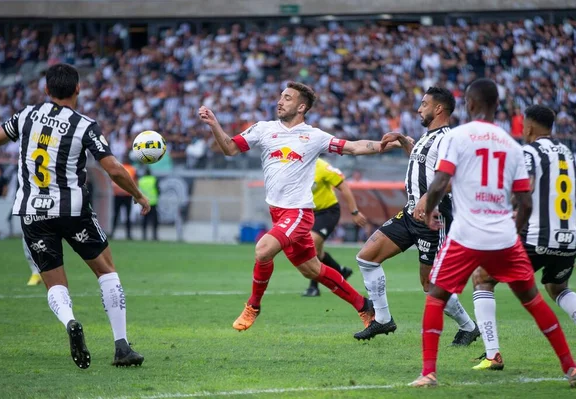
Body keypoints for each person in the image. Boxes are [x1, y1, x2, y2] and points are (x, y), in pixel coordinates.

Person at [198, 81, 412, 332]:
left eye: (287, 98)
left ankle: (253, 306)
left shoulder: (314, 136)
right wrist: (214, 125)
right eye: (280, 96)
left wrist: (398, 144)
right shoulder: (263, 129)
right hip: (278, 214)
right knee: (312, 270)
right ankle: (364, 306)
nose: (280, 101)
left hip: (299, 213)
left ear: (301, 107)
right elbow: (230, 149)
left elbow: (354, 147)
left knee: (263, 250)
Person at [0, 63, 150, 369]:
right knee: (106, 271)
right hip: (72, 211)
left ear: (46, 90)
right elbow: (112, 169)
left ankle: (70, 321)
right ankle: (121, 346)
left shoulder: (26, 116)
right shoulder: (84, 125)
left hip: (33, 212)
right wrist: (138, 195)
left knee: (54, 282)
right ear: (78, 88)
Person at [410, 78, 576, 387]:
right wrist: (512, 233)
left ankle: (428, 373)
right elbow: (525, 203)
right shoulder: (512, 145)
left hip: (466, 234)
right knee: (534, 300)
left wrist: (430, 207)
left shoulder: (457, 137)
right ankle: (570, 368)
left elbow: (440, 180)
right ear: (497, 106)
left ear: (470, 104)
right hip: (503, 236)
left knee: (436, 295)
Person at [353, 87, 478, 345]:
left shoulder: (448, 139)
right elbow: (422, 161)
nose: (419, 109)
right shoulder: (426, 137)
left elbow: (455, 176)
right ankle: (384, 319)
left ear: (439, 109)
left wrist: (428, 198)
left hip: (435, 216)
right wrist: (402, 140)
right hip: (410, 213)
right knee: (366, 258)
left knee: (429, 284)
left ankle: (468, 327)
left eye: (424, 104)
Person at [471, 105, 576, 371]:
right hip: (568, 238)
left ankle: (492, 354)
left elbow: (524, 190)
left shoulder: (527, 152)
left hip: (535, 236)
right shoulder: (568, 154)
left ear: (528, 127)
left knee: (482, 277)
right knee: (558, 288)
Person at [302, 157, 367, 297]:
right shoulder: (295, 167)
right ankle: (341, 270)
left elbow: (344, 187)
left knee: (311, 245)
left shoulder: (322, 167)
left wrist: (354, 212)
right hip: (308, 213)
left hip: (327, 212)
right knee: (318, 254)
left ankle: (313, 287)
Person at [110, 158, 137, 240]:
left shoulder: (118, 168)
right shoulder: (132, 169)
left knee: (115, 215)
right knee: (128, 216)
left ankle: (112, 232)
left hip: (117, 194)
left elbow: (113, 181)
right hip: (127, 195)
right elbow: (135, 182)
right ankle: (128, 234)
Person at [138, 167, 159, 241]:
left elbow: (139, 191)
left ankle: (144, 235)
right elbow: (158, 190)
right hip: (153, 202)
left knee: (144, 220)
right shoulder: (153, 179)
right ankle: (155, 235)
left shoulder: (141, 180)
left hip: (144, 203)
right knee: (155, 220)